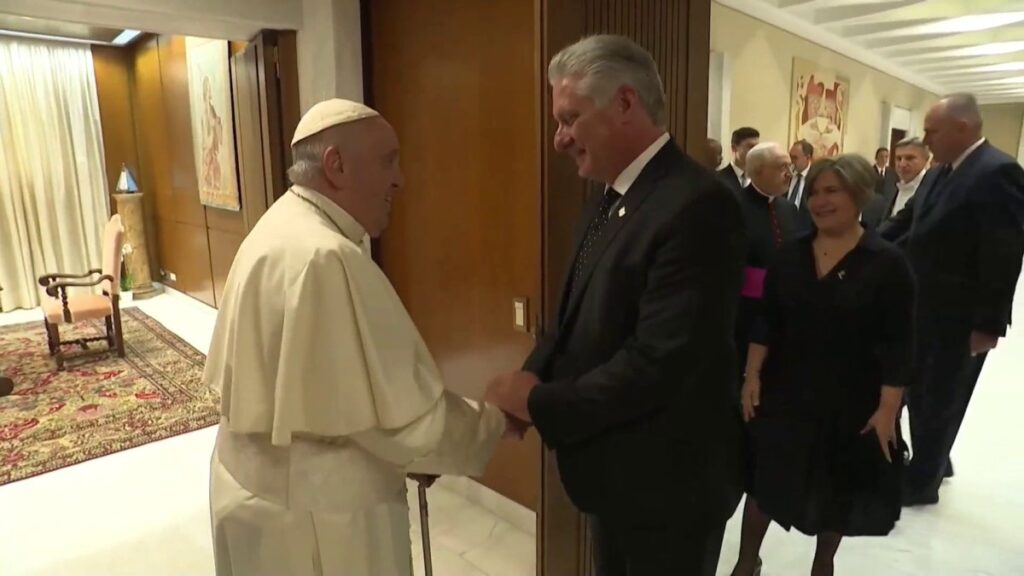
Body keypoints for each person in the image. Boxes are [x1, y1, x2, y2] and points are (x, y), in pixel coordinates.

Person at [205, 99, 519, 576]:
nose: (400, 180)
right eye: (388, 161)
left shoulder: (277, 225)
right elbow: (406, 424)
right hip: (322, 517)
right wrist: (494, 421)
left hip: (253, 492)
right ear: (336, 165)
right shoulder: (326, 257)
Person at [485, 35, 746, 576]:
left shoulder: (698, 204)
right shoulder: (612, 196)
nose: (559, 139)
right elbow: (572, 321)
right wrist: (527, 383)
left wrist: (541, 404)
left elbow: (661, 360)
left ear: (624, 103)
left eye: (569, 118)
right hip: (617, 471)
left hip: (671, 484)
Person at [732, 154, 915, 576]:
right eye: (814, 191)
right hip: (785, 387)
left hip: (852, 395)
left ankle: (822, 565)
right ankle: (746, 562)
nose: (819, 200)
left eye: (831, 190)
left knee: (836, 487)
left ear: (858, 195)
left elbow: (899, 343)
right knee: (764, 480)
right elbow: (767, 320)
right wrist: (752, 376)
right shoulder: (789, 256)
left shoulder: (887, 263)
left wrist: (888, 410)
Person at [880, 93, 1024, 506]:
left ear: (963, 128)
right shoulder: (942, 171)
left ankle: (922, 485)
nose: (925, 141)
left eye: (932, 131)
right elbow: (908, 224)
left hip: (961, 317)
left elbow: (1003, 253)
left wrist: (988, 324)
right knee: (919, 390)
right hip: (925, 307)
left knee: (941, 395)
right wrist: (859, 244)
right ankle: (935, 462)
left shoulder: (998, 172)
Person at [733, 142, 801, 381]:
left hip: (784, 312)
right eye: (782, 167)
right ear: (757, 171)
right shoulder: (733, 208)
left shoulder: (789, 208)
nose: (790, 173)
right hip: (745, 315)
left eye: (790, 166)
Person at [863, 137, 929, 230]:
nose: (902, 164)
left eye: (909, 158)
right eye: (898, 158)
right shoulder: (896, 188)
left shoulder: (931, 190)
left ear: (925, 160)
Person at [719, 127, 761, 194]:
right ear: (734, 148)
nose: (755, 151)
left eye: (757, 147)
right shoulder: (718, 179)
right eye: (751, 147)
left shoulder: (760, 180)